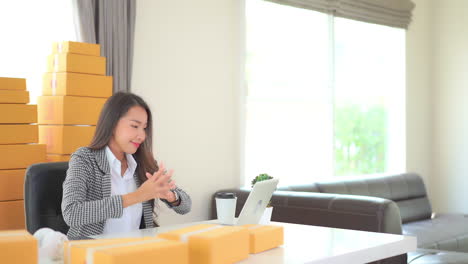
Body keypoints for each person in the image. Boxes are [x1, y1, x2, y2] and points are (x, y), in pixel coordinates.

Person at [61, 92, 191, 239]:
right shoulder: (85, 159)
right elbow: (72, 213)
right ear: (112, 123)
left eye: (144, 128)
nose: (142, 136)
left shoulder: (144, 162)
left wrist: (171, 196)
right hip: (92, 253)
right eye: (135, 126)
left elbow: (186, 206)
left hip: (132, 251)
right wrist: (137, 196)